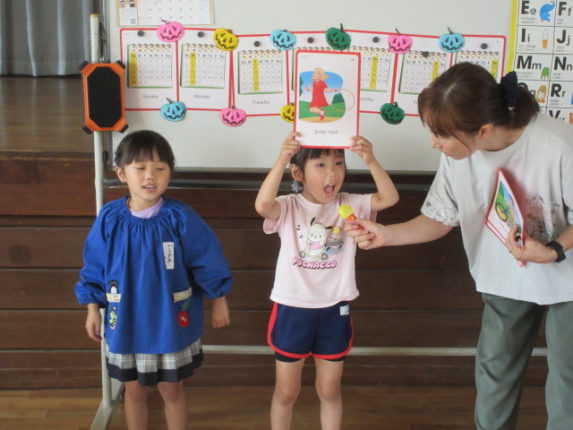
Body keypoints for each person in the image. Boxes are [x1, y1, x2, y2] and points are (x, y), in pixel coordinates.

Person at [345, 62, 573, 430]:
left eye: (440, 134)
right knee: (495, 372)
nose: (433, 143)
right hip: (504, 274)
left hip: (569, 276)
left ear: (483, 130)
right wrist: (387, 234)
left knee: (567, 380)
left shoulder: (558, 144)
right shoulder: (457, 155)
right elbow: (440, 217)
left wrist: (552, 251)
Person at [75, 130, 232, 430]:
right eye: (140, 168)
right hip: (126, 326)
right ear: (121, 173)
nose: (150, 176)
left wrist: (219, 298)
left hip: (169, 325)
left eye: (160, 168)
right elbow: (94, 266)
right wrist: (92, 308)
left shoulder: (180, 217)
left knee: (172, 391)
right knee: (134, 392)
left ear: (170, 172)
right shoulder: (109, 218)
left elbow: (207, 259)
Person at [255, 132, 399, 430]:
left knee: (330, 391)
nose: (332, 173)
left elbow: (390, 198)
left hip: (335, 309)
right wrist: (282, 159)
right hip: (293, 309)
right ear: (298, 173)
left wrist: (370, 159)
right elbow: (263, 205)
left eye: (338, 163)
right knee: (286, 392)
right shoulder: (289, 205)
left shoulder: (352, 204)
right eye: (320, 165)